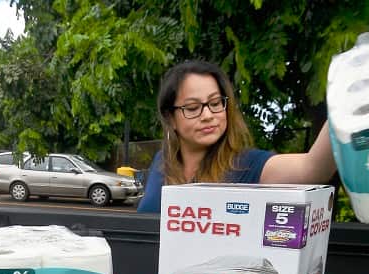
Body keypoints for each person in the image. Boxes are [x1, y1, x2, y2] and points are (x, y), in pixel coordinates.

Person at [137, 60, 337, 213]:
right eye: (192, 108)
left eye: (215, 103)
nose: (208, 116)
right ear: (170, 117)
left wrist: (345, 111)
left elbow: (312, 169)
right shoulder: (161, 162)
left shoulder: (247, 165)